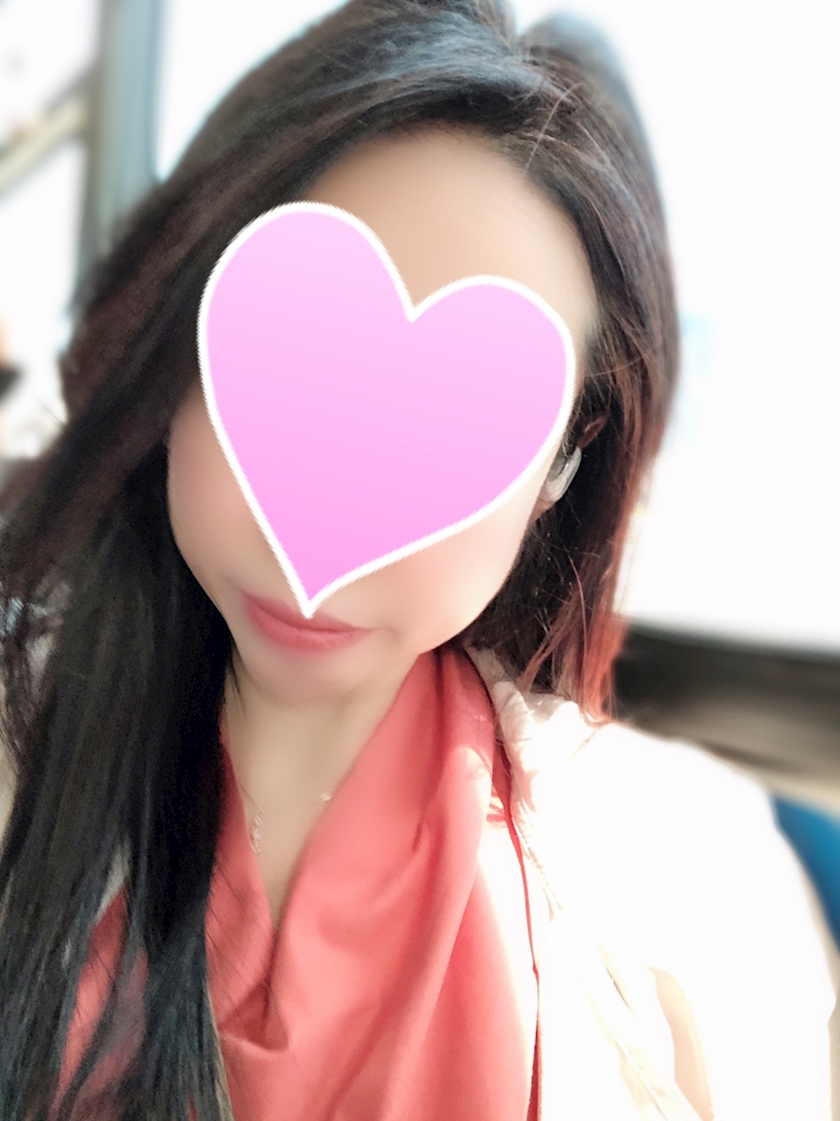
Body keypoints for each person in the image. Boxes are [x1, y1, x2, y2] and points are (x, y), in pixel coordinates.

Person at [0, 2, 835, 1119]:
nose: (327, 538)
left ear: (560, 465)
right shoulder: (25, 754)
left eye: (450, 428)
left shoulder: (693, 902)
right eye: (287, 364)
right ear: (178, 351)